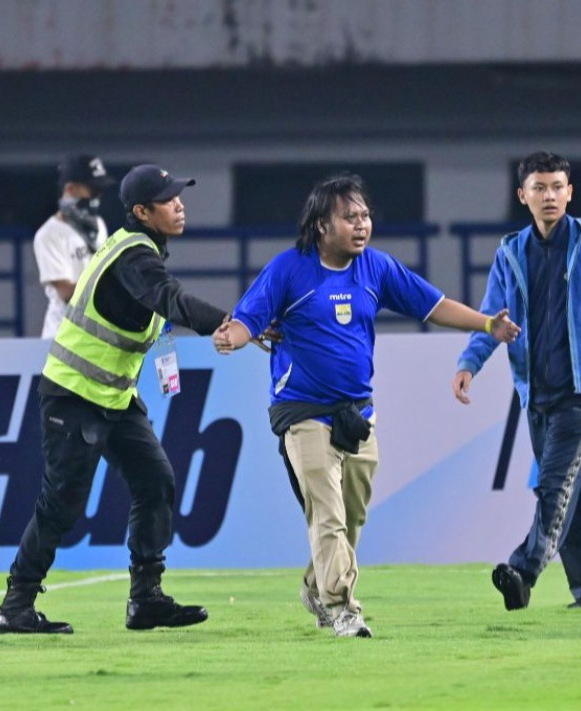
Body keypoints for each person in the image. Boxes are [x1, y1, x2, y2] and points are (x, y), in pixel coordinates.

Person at [213, 173, 520, 638]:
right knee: (328, 513)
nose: (361, 225)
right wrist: (231, 338)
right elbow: (248, 319)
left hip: (358, 414)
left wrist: (486, 325)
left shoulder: (376, 268)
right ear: (321, 225)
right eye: (349, 217)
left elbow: (432, 305)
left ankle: (318, 586)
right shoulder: (288, 270)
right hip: (302, 413)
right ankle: (343, 609)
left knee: (352, 515)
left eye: (365, 216)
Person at [0, 164, 230, 634]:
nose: (179, 203)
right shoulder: (135, 257)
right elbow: (173, 301)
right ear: (142, 212)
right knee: (63, 502)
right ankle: (15, 607)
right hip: (74, 395)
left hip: (113, 398)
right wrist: (233, 322)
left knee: (155, 480)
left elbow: (163, 305)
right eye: (168, 199)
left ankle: (146, 600)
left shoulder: (139, 250)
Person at [453, 151, 581, 611]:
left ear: (570, 192)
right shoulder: (510, 251)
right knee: (571, 495)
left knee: (554, 485)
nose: (550, 196)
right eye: (539, 188)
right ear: (523, 195)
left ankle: (524, 569)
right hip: (535, 390)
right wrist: (469, 363)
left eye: (558, 187)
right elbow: (492, 318)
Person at [33, 154, 113, 339]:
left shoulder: (99, 225)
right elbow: (67, 292)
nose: (97, 196)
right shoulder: (49, 234)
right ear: (70, 189)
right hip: (63, 336)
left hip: (96, 334)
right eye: (93, 190)